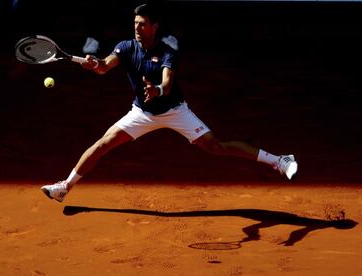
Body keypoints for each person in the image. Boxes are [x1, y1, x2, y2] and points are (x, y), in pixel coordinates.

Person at [41, 3, 298, 202]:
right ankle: (65, 187)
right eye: (135, 24)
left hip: (174, 111)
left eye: (142, 24)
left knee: (215, 147)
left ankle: (280, 160)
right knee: (102, 145)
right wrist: (94, 63)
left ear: (154, 26)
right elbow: (105, 67)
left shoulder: (166, 52)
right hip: (141, 113)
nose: (137, 28)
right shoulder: (126, 47)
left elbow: (167, 83)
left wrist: (158, 91)